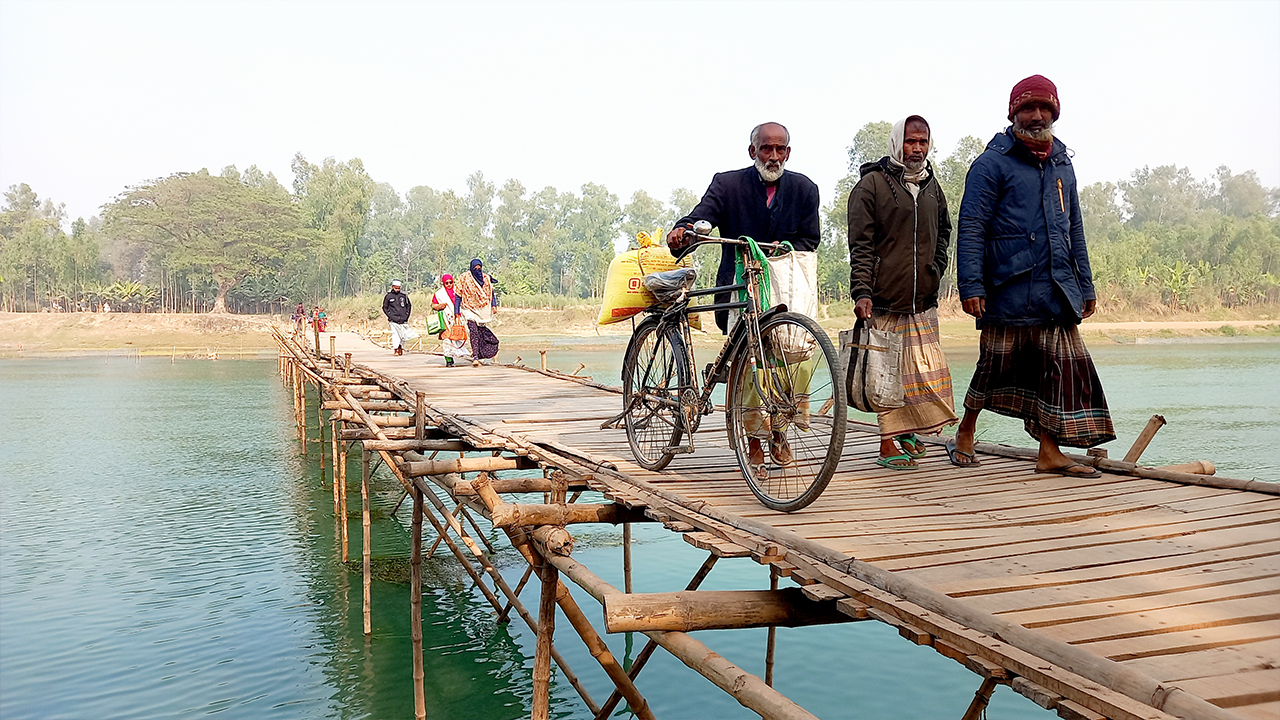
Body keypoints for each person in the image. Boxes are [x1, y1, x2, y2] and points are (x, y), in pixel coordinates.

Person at [952, 75, 1115, 477]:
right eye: (1028, 108)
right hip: (1007, 285)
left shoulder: (1063, 163)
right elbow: (971, 226)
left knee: (1056, 372)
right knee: (993, 366)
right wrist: (971, 285)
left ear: (1055, 113)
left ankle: (1049, 451)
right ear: (1013, 114)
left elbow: (1074, 227)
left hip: (1056, 287)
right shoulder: (991, 164)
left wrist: (1086, 286)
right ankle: (965, 429)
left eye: (1045, 109)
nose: (1037, 116)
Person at [666, 122, 821, 475]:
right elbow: (701, 217)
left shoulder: (805, 189)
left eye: (780, 149)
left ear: (788, 153)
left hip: (786, 287)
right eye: (766, 149)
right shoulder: (728, 183)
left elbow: (810, 240)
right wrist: (684, 230)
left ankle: (780, 429)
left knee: (797, 355)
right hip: (739, 286)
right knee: (749, 359)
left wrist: (778, 251)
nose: (773, 156)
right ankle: (753, 438)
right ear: (753, 151)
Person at [847, 115, 958, 470]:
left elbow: (944, 232)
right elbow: (860, 245)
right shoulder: (872, 186)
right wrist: (862, 290)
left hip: (921, 300)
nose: (917, 149)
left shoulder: (931, 186)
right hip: (883, 299)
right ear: (898, 142)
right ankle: (886, 443)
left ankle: (909, 432)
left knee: (921, 371)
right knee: (886, 374)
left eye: (923, 142)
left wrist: (935, 268)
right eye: (911, 141)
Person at [457, 259, 499, 366]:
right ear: (471, 268)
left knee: (481, 332)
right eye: (475, 269)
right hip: (468, 308)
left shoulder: (485, 278)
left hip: (482, 309)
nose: (477, 270)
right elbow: (458, 295)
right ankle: (475, 357)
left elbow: (491, 292)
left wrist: (494, 305)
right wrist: (456, 310)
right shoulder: (464, 278)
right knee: (473, 330)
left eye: (479, 268)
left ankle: (480, 354)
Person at [431, 274, 471, 367]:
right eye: (446, 283)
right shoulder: (439, 294)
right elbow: (432, 305)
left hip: (459, 319)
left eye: (451, 282)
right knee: (447, 339)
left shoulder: (458, 290)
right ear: (443, 283)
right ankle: (448, 360)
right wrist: (438, 306)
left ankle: (463, 354)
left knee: (458, 338)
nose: (449, 285)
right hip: (446, 319)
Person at [382, 280, 413, 356]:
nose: (397, 289)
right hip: (393, 320)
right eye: (396, 288)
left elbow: (409, 305)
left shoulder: (403, 296)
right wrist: (390, 315)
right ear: (392, 287)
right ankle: (395, 349)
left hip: (403, 319)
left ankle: (400, 346)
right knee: (395, 334)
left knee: (403, 336)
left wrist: (407, 315)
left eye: (398, 288)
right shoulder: (388, 296)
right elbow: (385, 307)